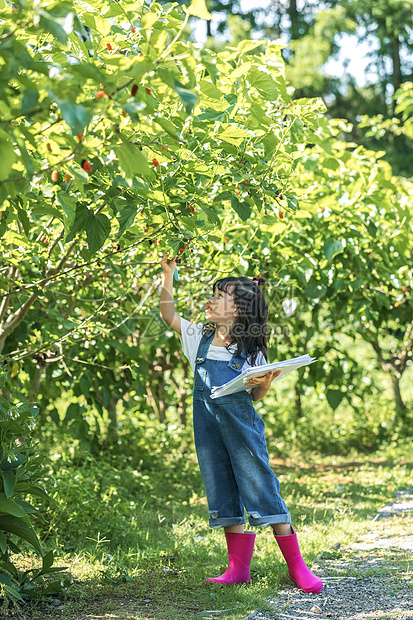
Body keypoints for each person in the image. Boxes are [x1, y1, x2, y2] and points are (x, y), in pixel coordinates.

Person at [159, 252, 323, 594]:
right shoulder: (198, 338)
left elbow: (257, 396)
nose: (210, 300)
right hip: (209, 431)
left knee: (261, 486)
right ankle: (237, 569)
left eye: (219, 296)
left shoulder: (250, 352)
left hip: (243, 431)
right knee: (221, 488)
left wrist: (264, 383)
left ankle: (298, 568)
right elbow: (168, 314)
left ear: (237, 310)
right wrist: (167, 276)